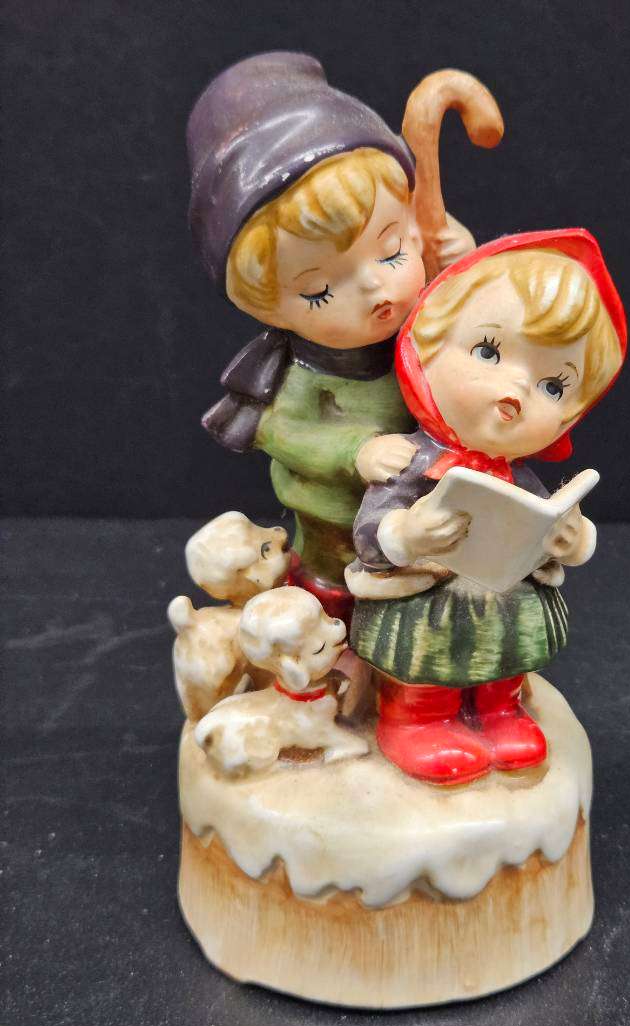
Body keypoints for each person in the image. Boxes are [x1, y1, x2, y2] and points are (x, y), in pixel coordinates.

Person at [187, 53, 476, 613]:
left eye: (391, 251)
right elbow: (283, 430)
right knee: (336, 584)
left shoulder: (425, 324)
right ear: (269, 308)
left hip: (432, 502)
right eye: (319, 290)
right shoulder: (300, 374)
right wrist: (355, 450)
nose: (374, 288)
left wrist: (462, 265)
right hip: (337, 515)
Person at [347, 230, 628, 785]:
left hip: (502, 597)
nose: (515, 391)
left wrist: (567, 539)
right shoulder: (408, 461)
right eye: (488, 353)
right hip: (426, 600)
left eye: (554, 386)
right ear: (425, 345)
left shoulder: (520, 477)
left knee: (505, 652)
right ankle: (418, 719)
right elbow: (369, 533)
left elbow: (548, 518)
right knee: (429, 660)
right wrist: (409, 534)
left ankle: (499, 710)